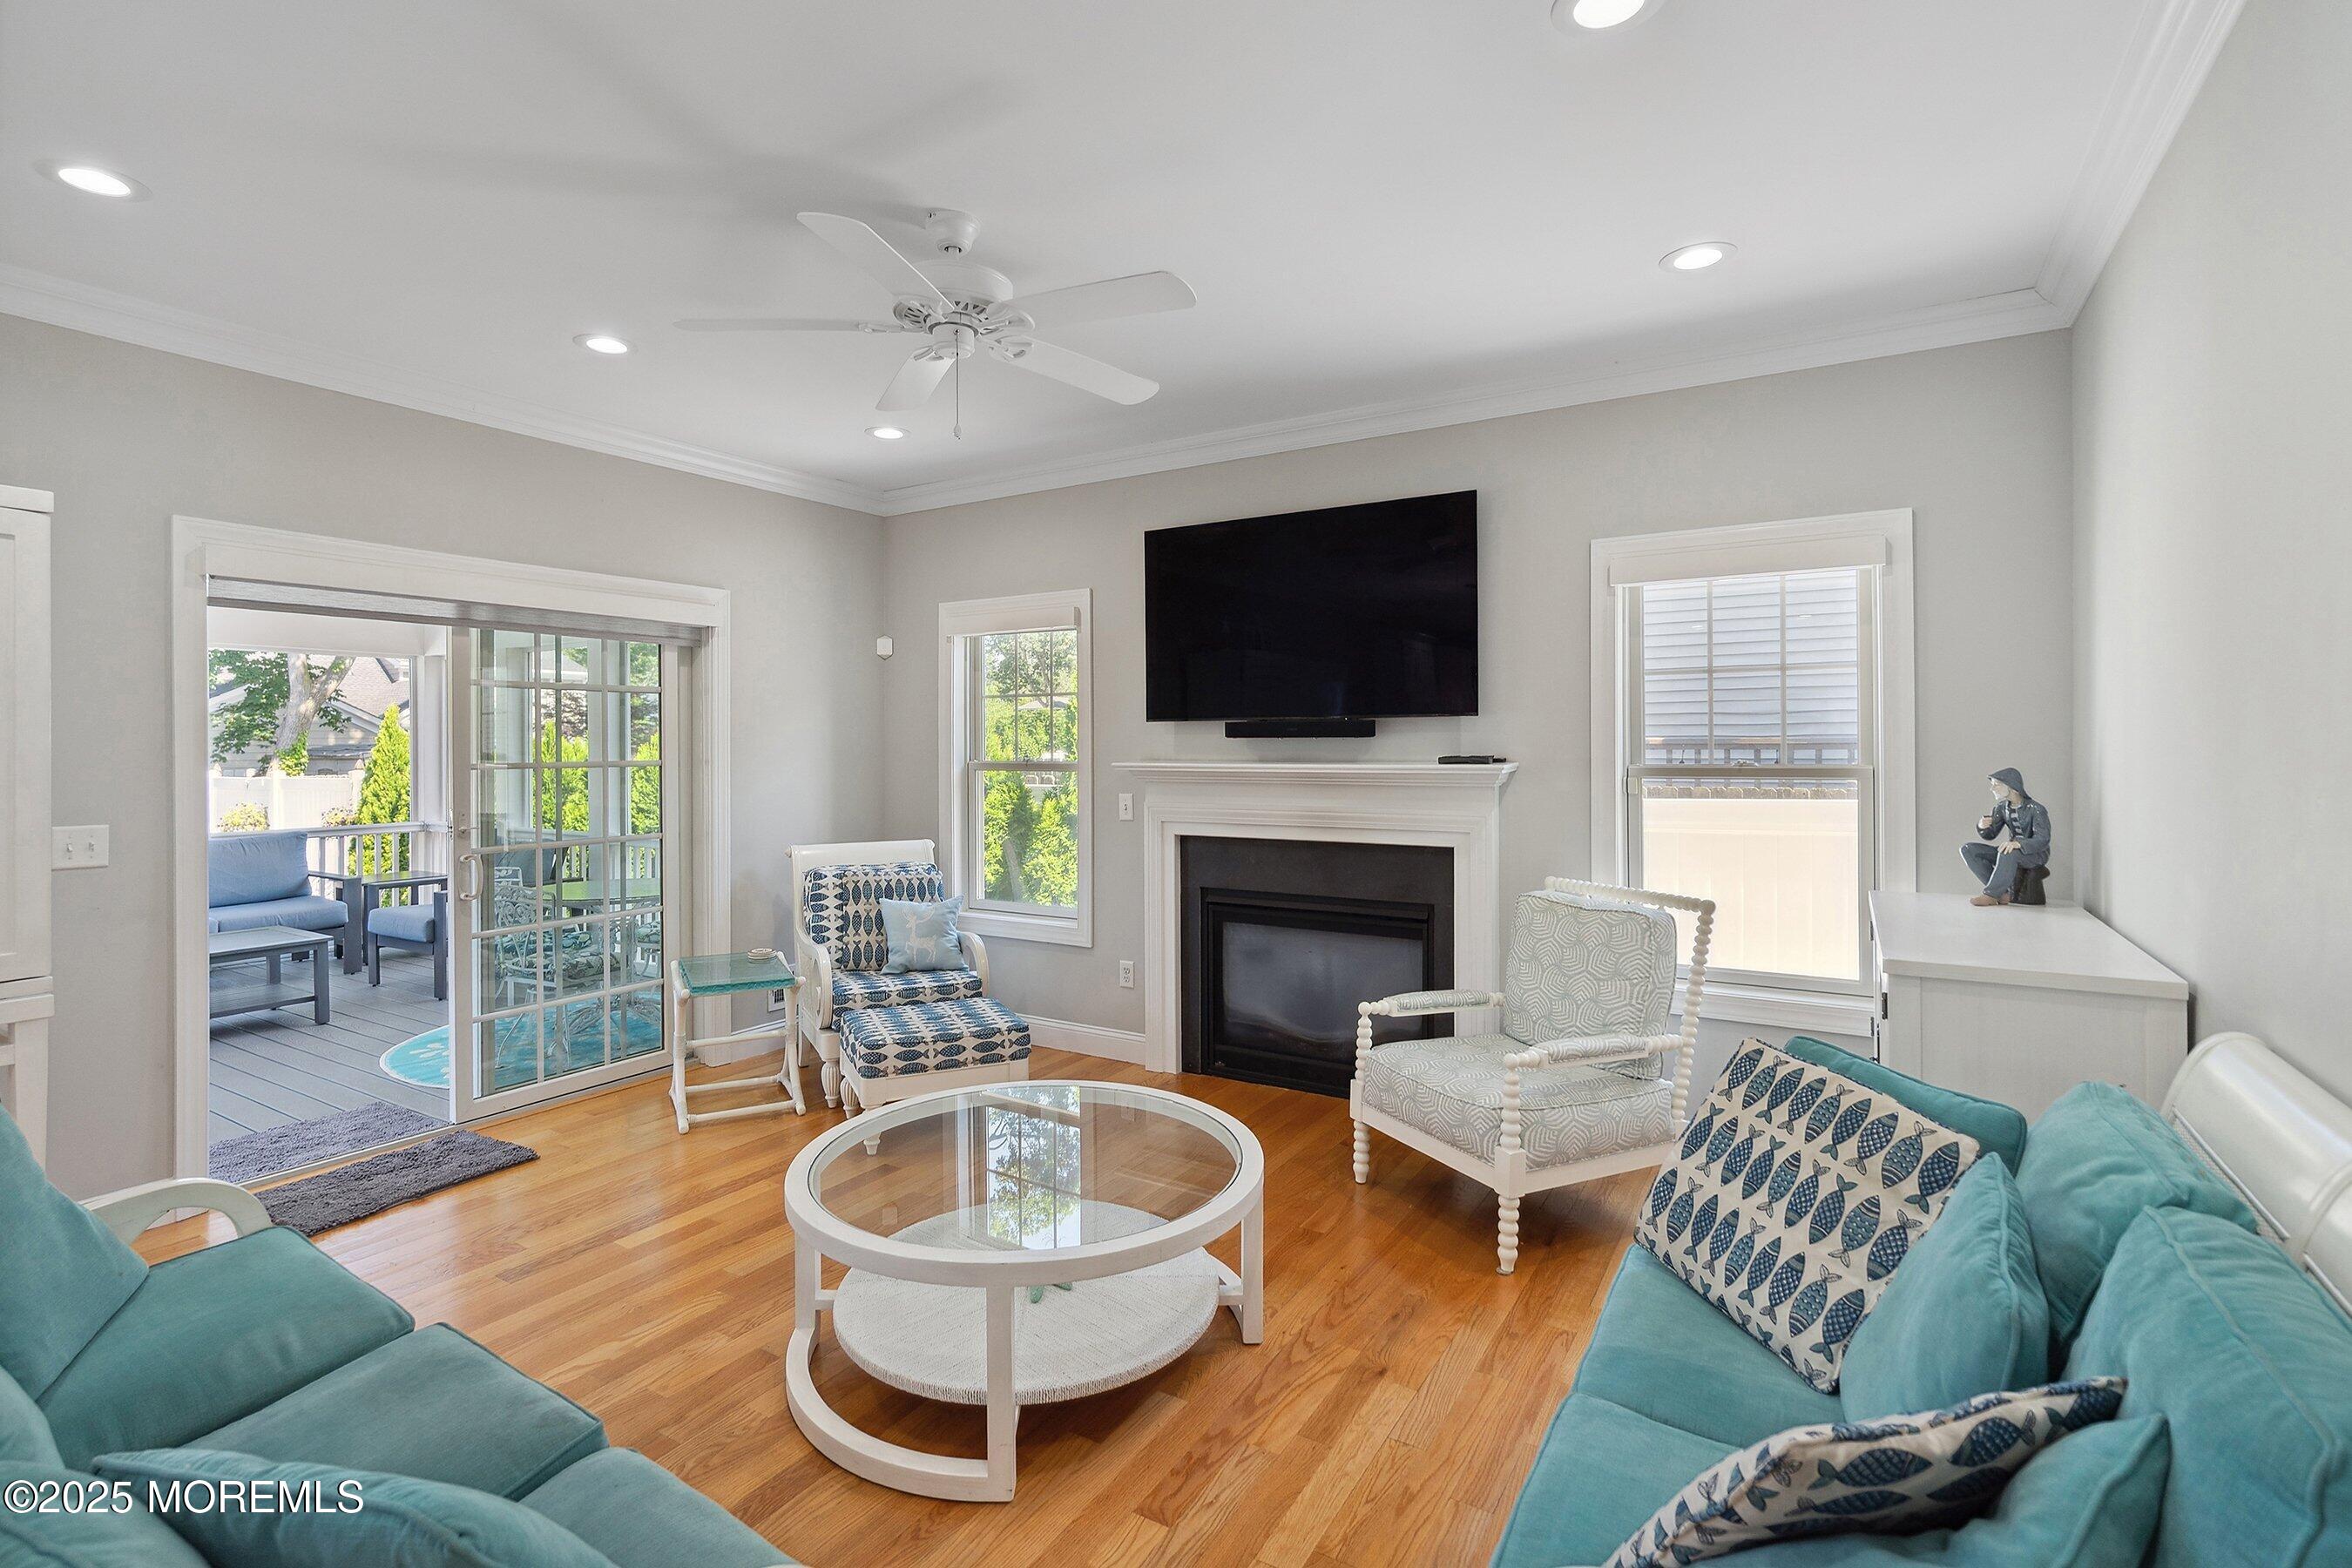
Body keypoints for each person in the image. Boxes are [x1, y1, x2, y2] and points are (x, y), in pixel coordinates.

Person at [1963, 767, 2050, 907]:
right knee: (1968, 849)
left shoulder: (2036, 809)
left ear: (2012, 786)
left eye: (1996, 784)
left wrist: (2019, 844)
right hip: (2010, 851)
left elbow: (2043, 839)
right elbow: (1991, 834)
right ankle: (2002, 893)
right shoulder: (2002, 808)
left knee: (2008, 851)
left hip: (2035, 854)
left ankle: (1991, 895)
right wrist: (1982, 826)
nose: (1992, 788)